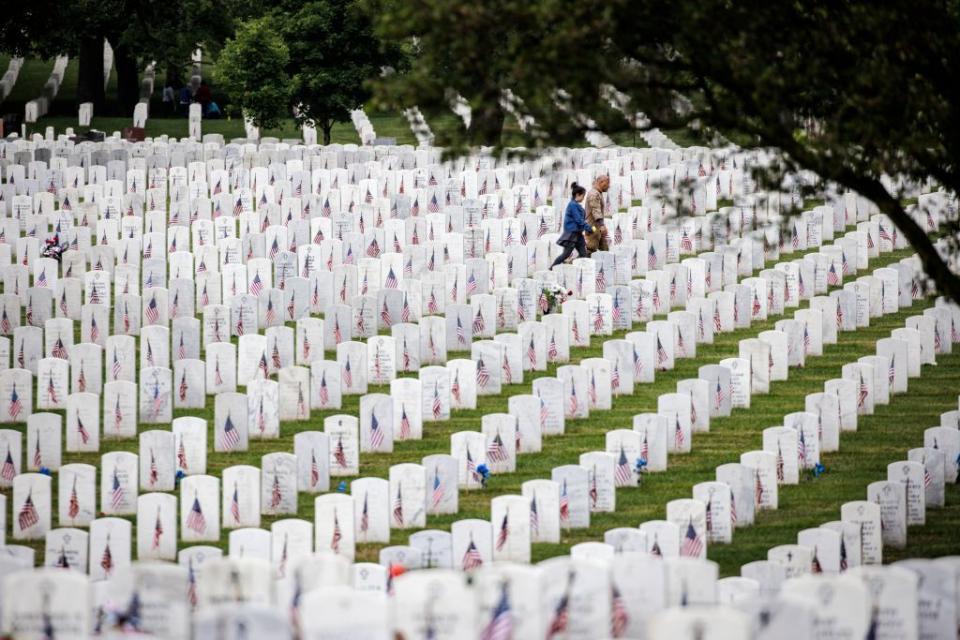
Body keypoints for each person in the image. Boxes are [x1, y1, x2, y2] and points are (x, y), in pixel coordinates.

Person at [550, 182, 592, 269]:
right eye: (583, 196)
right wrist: (588, 228)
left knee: (583, 254)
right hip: (572, 234)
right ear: (577, 194)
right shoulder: (572, 205)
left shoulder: (576, 205)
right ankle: (551, 269)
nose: (583, 198)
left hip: (578, 234)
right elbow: (578, 220)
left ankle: (575, 267)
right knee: (566, 254)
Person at [584, 174, 610, 254]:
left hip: (597, 227)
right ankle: (576, 263)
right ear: (601, 182)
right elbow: (596, 210)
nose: (609, 186)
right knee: (591, 249)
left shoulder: (598, 193)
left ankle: (607, 265)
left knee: (605, 250)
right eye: (607, 183)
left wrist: (602, 226)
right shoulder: (594, 194)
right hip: (593, 228)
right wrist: (602, 225)